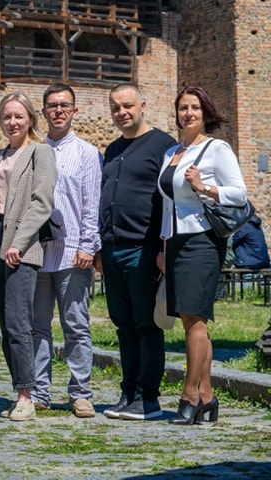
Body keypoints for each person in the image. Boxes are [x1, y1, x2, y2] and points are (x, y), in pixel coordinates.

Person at [157, 86, 247, 425]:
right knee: (187, 321)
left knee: (196, 319)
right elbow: (168, 204)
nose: (188, 114)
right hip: (177, 242)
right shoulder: (171, 153)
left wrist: (204, 186)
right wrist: (165, 245)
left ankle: (190, 394)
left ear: (205, 113)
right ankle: (208, 398)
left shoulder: (216, 149)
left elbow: (239, 194)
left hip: (204, 241)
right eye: (183, 108)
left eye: (194, 108)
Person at [0, 92, 56, 422]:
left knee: (19, 322)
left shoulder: (41, 153)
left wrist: (19, 242)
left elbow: (42, 202)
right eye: (7, 117)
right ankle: (20, 388)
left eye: (18, 117)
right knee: (6, 325)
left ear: (30, 120)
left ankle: (28, 395)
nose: (12, 122)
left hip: (19, 244)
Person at [98, 83, 175, 421]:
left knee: (147, 324)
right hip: (113, 248)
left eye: (127, 105)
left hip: (144, 248)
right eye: (116, 108)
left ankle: (148, 398)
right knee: (123, 325)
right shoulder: (112, 149)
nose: (122, 112)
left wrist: (163, 248)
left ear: (143, 105)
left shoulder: (163, 146)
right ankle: (128, 391)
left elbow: (169, 201)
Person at [31, 83, 102, 418]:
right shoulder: (33, 152)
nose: (58, 111)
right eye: (52, 105)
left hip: (73, 251)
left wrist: (89, 245)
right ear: (43, 111)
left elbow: (92, 204)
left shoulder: (87, 153)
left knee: (75, 324)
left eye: (64, 106)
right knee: (37, 325)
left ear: (74, 111)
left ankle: (80, 392)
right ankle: (39, 391)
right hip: (37, 253)